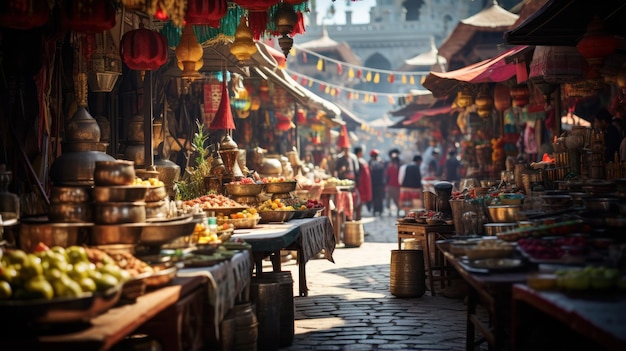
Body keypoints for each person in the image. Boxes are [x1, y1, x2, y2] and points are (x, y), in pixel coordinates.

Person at [353, 146, 372, 220]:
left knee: (359, 206)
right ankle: (357, 223)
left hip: (362, 187)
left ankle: (358, 223)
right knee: (357, 206)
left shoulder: (360, 161)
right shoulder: (357, 162)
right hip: (359, 187)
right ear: (359, 153)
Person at [368, 149, 386, 216]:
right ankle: (376, 210)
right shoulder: (379, 162)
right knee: (376, 197)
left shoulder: (379, 162)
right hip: (376, 183)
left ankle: (378, 210)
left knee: (378, 197)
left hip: (377, 183)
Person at [385, 149, 402, 217]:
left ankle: (397, 209)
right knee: (391, 198)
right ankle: (392, 210)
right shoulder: (393, 165)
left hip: (394, 185)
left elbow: (387, 175)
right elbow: (387, 175)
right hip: (393, 185)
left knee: (394, 198)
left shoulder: (398, 165)